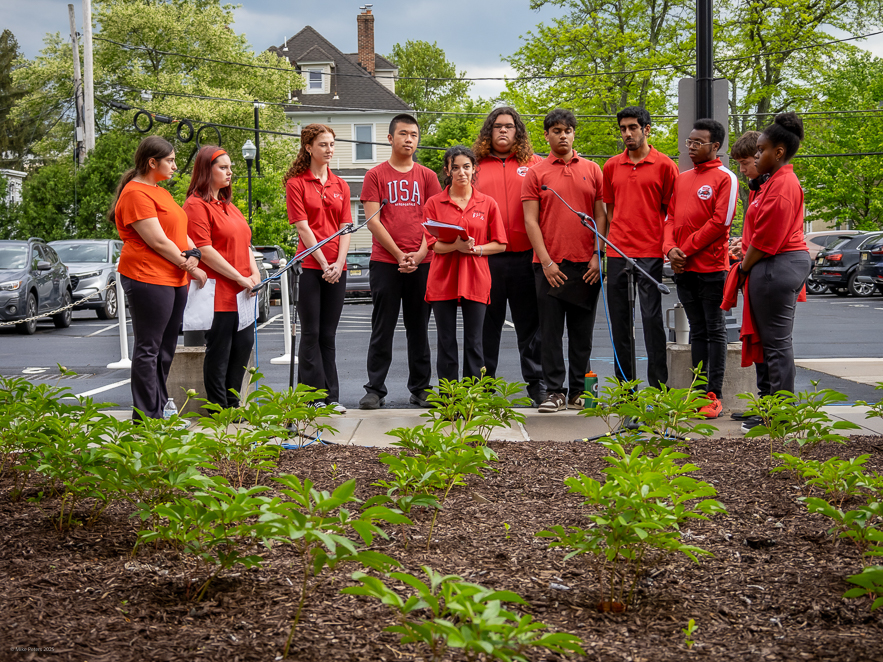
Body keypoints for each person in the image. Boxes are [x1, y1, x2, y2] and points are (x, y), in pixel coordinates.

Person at [109, 135, 207, 420]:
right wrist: (190, 265)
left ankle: (161, 407)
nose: (176, 166)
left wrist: (193, 252)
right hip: (147, 276)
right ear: (152, 162)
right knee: (148, 348)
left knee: (165, 350)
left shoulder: (161, 192)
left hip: (173, 277)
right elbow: (158, 241)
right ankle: (146, 416)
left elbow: (178, 231)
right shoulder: (135, 193)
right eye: (171, 160)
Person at [522, 109, 607, 413]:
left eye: (567, 130)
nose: (562, 135)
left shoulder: (593, 170)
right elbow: (531, 222)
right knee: (550, 334)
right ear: (546, 135)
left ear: (574, 134)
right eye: (556, 130)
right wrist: (546, 262)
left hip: (587, 266)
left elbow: (600, 215)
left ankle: (578, 392)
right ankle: (554, 392)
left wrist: (598, 256)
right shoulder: (536, 173)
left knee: (582, 335)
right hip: (549, 266)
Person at [358, 114, 441, 410]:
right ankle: (375, 389)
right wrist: (398, 255)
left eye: (414, 135)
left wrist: (419, 255)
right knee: (383, 326)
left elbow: (433, 220)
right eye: (403, 134)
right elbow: (372, 221)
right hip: (385, 262)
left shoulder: (428, 176)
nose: (409, 139)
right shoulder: (375, 176)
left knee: (419, 327)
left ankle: (420, 388)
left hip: (423, 261)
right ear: (390, 138)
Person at [663, 118, 738, 419]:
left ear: (715, 146)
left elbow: (720, 223)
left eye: (698, 143)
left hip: (711, 268)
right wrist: (670, 250)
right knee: (696, 330)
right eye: (689, 142)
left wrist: (687, 248)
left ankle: (713, 394)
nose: (691, 147)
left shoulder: (725, 178)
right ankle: (697, 391)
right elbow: (669, 218)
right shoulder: (681, 179)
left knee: (714, 329)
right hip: (683, 268)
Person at [473, 106, 546, 405]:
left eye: (509, 126)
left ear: (518, 131)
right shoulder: (474, 166)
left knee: (531, 327)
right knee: (486, 327)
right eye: (497, 126)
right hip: (487, 258)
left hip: (526, 257)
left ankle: (538, 385)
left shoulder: (536, 165)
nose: (503, 131)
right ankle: (483, 388)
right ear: (489, 132)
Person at [602, 106, 678, 389]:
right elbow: (609, 209)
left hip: (649, 253)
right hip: (618, 253)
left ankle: (658, 387)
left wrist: (665, 245)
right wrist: (616, 240)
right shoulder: (611, 166)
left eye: (633, 127)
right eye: (623, 129)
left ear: (646, 129)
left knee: (650, 320)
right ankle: (626, 390)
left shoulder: (665, 166)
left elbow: (672, 211)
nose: (627, 134)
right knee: (620, 323)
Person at [183, 146, 262, 409]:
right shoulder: (195, 205)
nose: (230, 172)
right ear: (206, 170)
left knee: (243, 347)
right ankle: (218, 408)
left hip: (243, 293)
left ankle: (233, 403)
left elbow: (246, 245)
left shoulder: (230, 206)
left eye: (230, 167)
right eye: (223, 167)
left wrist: (254, 274)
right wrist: (240, 277)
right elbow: (204, 250)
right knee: (220, 352)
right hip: (218, 294)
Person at [739, 113, 811, 397]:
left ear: (778, 152)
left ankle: (781, 412)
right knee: (770, 341)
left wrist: (743, 268)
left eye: (761, 150)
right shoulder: (773, 183)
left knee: (776, 344)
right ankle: (770, 405)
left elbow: (767, 239)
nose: (757, 155)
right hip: (774, 264)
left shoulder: (782, 186)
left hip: (776, 265)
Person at [423, 146, 508, 381]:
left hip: (476, 278)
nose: (462, 172)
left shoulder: (488, 203)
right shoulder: (434, 203)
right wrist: (456, 247)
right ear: (447, 171)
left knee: (474, 341)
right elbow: (433, 244)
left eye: (467, 167)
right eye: (456, 167)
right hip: (443, 278)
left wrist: (475, 249)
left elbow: (500, 244)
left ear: (474, 169)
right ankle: (449, 399)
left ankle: (472, 398)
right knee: (446, 340)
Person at [285, 124, 352, 413]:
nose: (329, 149)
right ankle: (311, 397)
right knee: (310, 333)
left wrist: (339, 263)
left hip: (338, 268)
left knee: (328, 334)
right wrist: (324, 263)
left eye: (332, 144)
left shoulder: (342, 185)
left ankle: (331, 398)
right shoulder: (296, 184)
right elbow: (303, 227)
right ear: (309, 147)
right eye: (323, 144)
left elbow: (346, 227)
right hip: (311, 267)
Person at [727, 131, 771, 430]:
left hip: (765, 272)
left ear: (760, 156)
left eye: (745, 163)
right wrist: (741, 244)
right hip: (754, 269)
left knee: (770, 343)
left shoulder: (773, 189)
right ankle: (763, 399)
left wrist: (745, 261)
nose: (742, 170)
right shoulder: (756, 191)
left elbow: (769, 235)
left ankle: (773, 407)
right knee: (757, 339)